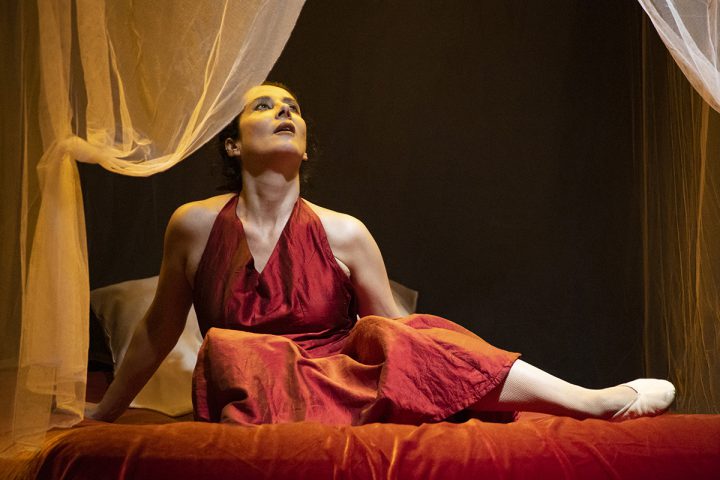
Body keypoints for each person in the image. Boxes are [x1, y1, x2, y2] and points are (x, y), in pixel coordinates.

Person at [91, 83, 675, 424]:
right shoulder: (192, 225)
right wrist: (103, 416)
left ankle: (592, 401)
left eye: (293, 106)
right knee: (230, 349)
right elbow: (158, 330)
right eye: (264, 107)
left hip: (337, 386)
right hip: (247, 389)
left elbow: (399, 338)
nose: (285, 112)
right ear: (232, 144)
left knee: (401, 333)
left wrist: (443, 374)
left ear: (304, 146)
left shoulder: (345, 232)